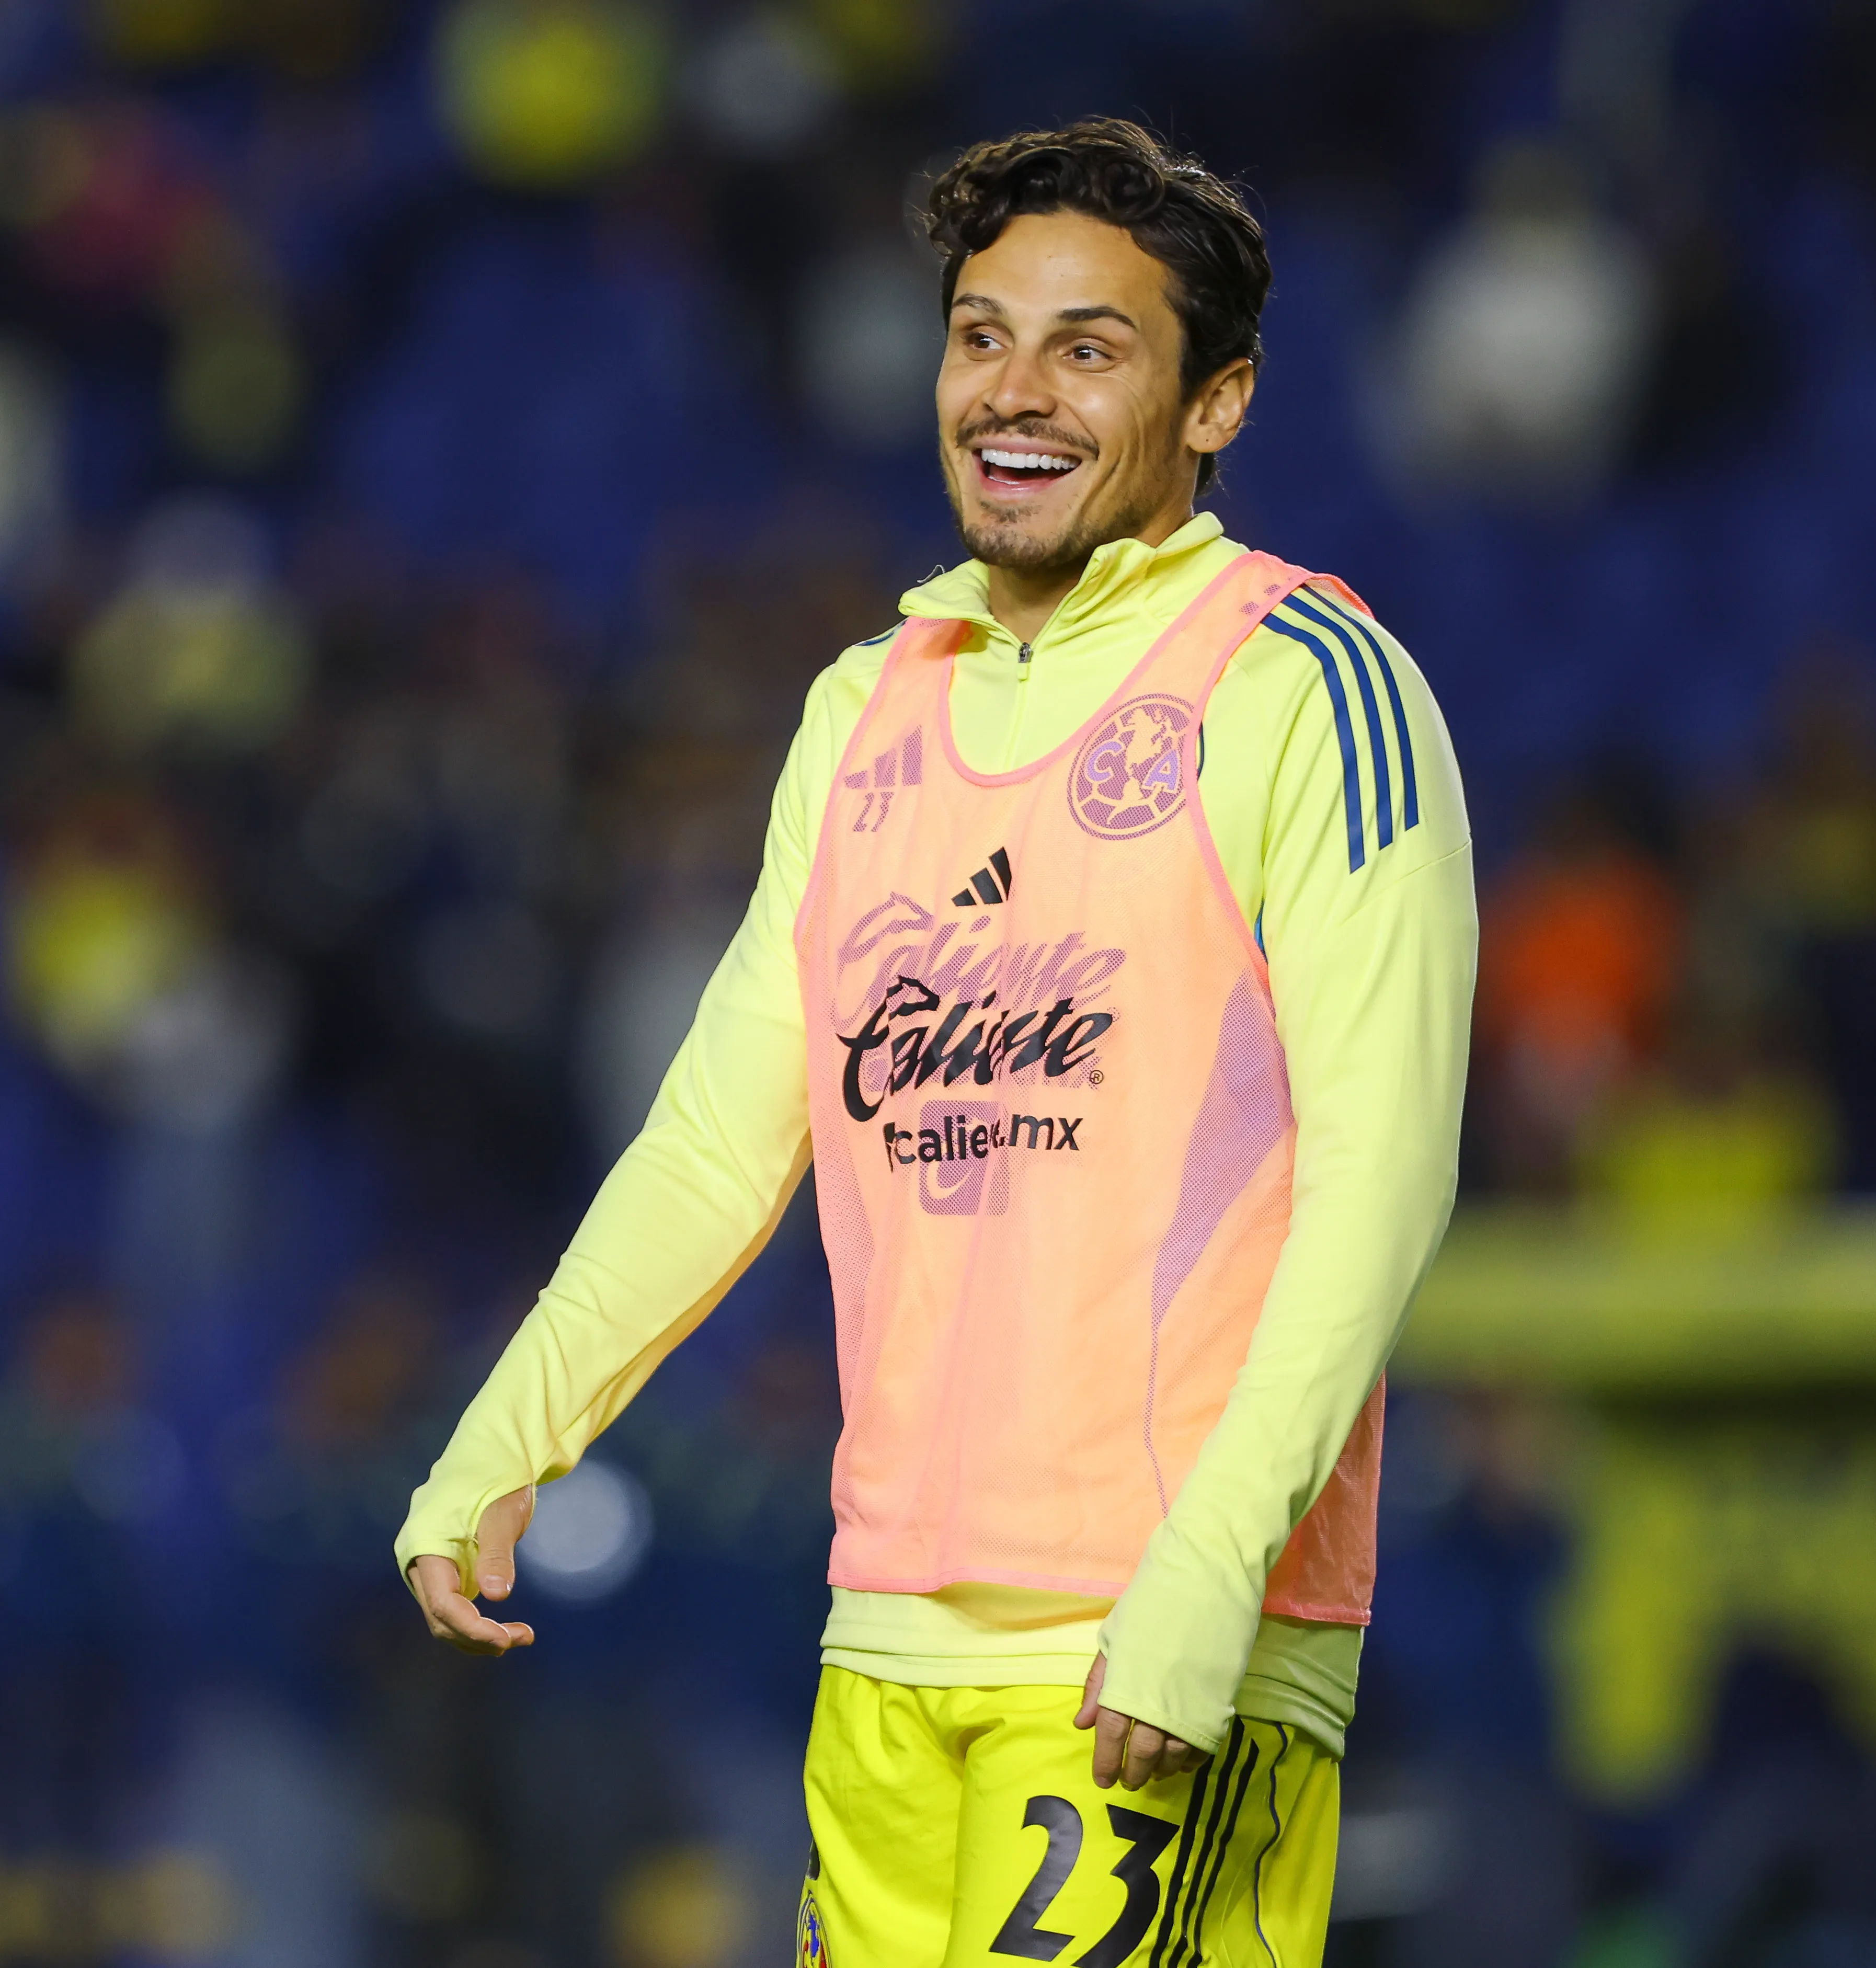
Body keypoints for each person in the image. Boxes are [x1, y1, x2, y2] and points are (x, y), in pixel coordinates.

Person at [396, 118, 1475, 1965]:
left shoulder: (1310, 682)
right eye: (981, 335)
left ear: (1218, 400)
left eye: (1090, 346)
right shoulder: (864, 706)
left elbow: (1384, 1182)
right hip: (887, 1621)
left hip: (1156, 1629)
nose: (1014, 392)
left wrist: (1209, 1578)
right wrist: (510, 1431)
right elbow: (725, 1132)